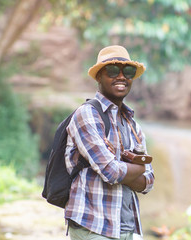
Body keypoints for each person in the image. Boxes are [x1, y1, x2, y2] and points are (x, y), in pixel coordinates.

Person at [64, 45, 155, 240]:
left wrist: (127, 168)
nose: (121, 76)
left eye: (128, 71)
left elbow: (149, 182)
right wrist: (137, 168)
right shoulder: (87, 114)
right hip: (93, 226)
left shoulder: (132, 125)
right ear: (99, 77)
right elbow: (111, 172)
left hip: (127, 227)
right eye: (113, 70)